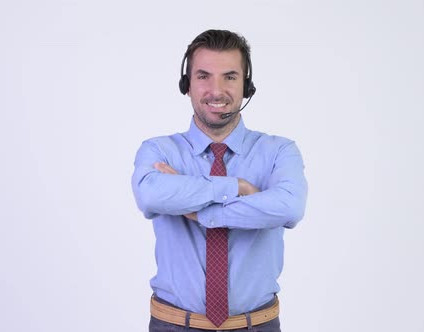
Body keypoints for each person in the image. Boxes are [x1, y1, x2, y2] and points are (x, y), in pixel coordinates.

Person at [131, 29, 308, 331]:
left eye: (229, 76)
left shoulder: (279, 151)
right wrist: (236, 187)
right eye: (203, 76)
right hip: (172, 324)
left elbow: (289, 207)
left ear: (246, 85)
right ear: (186, 85)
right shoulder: (159, 150)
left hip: (257, 325)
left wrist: (198, 211)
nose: (217, 90)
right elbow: (150, 196)